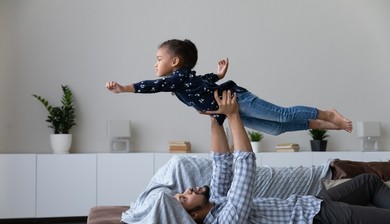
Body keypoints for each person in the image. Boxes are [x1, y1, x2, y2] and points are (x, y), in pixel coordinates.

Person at [174, 89, 390, 224]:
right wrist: (233, 116)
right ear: (193, 215)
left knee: (369, 182)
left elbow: (221, 162)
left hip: (311, 205)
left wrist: (216, 119)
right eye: (185, 198)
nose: (188, 190)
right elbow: (245, 170)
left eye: (181, 193)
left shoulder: (217, 202)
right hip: (321, 223)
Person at [106, 38, 352, 135]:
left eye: (159, 59)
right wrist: (218, 74)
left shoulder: (177, 78)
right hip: (230, 110)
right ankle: (318, 123)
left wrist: (125, 88)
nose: (155, 64)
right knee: (276, 130)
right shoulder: (184, 80)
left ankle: (327, 113)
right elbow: (203, 82)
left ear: (175, 62)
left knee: (282, 114)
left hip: (238, 100)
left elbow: (154, 85)